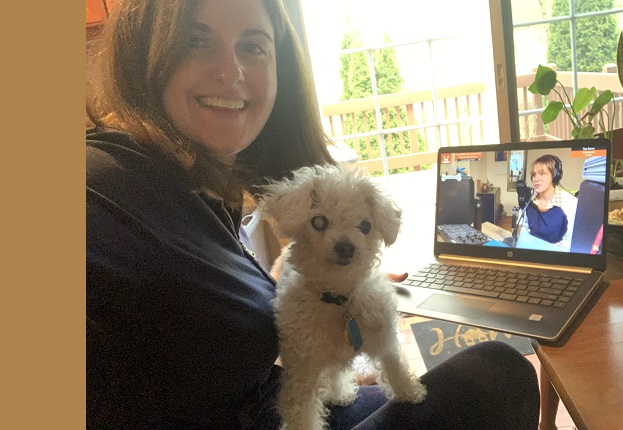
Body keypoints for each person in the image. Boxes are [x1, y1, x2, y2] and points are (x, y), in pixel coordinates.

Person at [86, 0, 540, 428]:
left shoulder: (197, 188)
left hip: (274, 403)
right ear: (142, 51)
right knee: (500, 373)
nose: (231, 71)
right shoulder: (99, 186)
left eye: (253, 46)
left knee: (493, 374)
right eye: (194, 40)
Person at [518, 154, 578, 249]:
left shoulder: (571, 204)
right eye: (534, 175)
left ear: (554, 176)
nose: (536, 179)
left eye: (542, 173)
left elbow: (570, 241)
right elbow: (524, 230)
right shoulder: (528, 202)